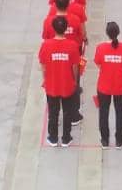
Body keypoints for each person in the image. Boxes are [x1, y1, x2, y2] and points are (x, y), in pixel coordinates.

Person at [39, 15, 81, 147]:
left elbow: (43, 66)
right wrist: (74, 81)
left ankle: (52, 137)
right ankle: (66, 138)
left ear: (53, 28)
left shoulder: (46, 45)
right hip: (67, 84)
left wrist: (46, 79)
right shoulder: (72, 45)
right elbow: (75, 67)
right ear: (66, 28)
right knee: (67, 111)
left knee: (53, 112)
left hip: (51, 84)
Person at [94, 21, 122, 148]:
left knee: (103, 114)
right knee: (120, 113)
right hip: (120, 85)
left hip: (104, 86)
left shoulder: (100, 48)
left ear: (107, 33)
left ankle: (105, 140)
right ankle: (119, 140)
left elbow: (99, 64)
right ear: (118, 33)